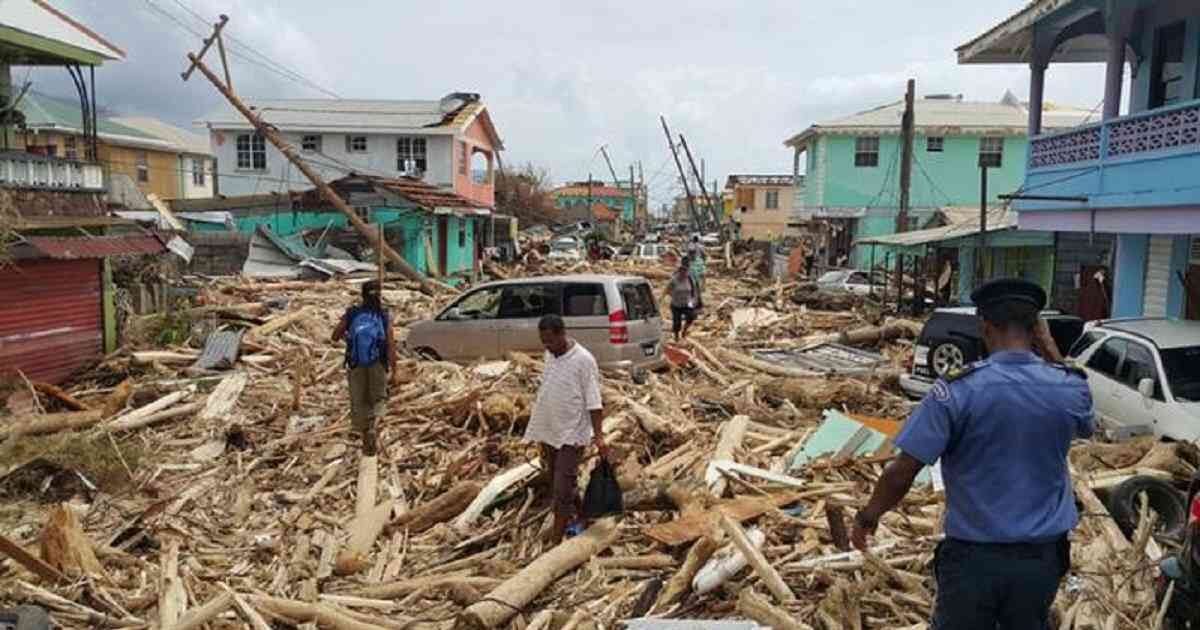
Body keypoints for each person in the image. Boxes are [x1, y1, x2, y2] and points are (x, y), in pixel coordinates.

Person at [850, 278, 1094, 630]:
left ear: (984, 325)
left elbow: (903, 471)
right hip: (1040, 561)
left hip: (973, 561)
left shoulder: (957, 390)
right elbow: (1086, 424)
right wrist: (1052, 354)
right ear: (1037, 328)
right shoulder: (1069, 387)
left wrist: (868, 516)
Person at [523, 314, 609, 544]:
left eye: (550, 341)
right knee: (559, 481)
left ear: (562, 334)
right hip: (551, 430)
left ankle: (556, 540)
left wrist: (599, 437)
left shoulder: (583, 360)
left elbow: (594, 402)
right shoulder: (550, 355)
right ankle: (584, 516)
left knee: (561, 490)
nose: (547, 346)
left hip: (573, 433)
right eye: (543, 342)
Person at [331, 280, 396, 456]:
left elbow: (334, 336)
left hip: (356, 363)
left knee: (359, 401)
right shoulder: (383, 315)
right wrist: (394, 369)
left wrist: (349, 339)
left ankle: (365, 434)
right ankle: (374, 427)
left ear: (363, 295)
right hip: (378, 363)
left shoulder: (353, 313)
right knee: (379, 399)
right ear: (379, 295)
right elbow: (391, 344)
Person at [665, 257, 698, 341]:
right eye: (683, 272)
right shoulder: (674, 280)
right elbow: (667, 290)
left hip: (687, 303)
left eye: (686, 271)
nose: (685, 274)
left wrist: (693, 300)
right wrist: (673, 295)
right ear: (680, 272)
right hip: (676, 305)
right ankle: (676, 336)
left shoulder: (690, 279)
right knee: (677, 322)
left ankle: (685, 330)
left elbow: (694, 290)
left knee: (692, 316)